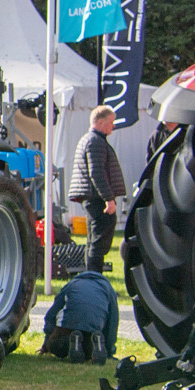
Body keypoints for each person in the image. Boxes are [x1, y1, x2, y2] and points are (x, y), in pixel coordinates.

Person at [67, 103, 127, 272]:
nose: (113, 126)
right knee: (98, 242)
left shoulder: (91, 139)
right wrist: (109, 199)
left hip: (92, 197)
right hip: (97, 198)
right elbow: (97, 173)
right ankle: (94, 278)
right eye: (111, 122)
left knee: (94, 241)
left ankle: (93, 278)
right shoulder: (95, 142)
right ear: (100, 122)